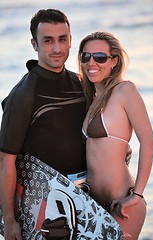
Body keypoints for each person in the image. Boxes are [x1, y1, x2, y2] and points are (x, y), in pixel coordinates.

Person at [0, 9, 131, 240]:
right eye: (48, 40)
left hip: (89, 196)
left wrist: (119, 155)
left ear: (71, 40)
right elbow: (5, 161)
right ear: (34, 44)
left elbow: (97, 132)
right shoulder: (23, 95)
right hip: (49, 205)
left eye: (62, 39)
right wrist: (10, 221)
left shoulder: (81, 84)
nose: (57, 48)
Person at [78, 31, 153, 239]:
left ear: (114, 61)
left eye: (100, 57)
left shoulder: (125, 91)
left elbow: (149, 143)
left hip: (123, 202)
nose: (91, 62)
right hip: (93, 205)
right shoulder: (93, 98)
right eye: (86, 56)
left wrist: (136, 196)